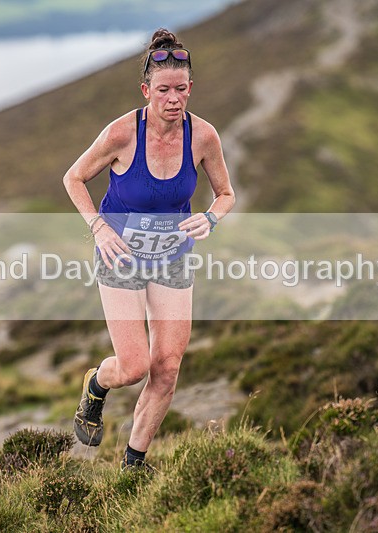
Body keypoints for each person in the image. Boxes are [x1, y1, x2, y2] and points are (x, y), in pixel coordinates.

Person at [62, 28, 235, 470]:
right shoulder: (121, 133)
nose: (173, 99)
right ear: (146, 90)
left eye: (181, 89)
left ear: (190, 88)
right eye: (163, 90)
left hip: (173, 256)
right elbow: (74, 178)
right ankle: (97, 385)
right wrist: (98, 228)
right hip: (120, 253)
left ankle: (133, 464)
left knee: (168, 368)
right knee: (134, 366)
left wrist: (211, 217)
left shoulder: (204, 137)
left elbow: (226, 194)